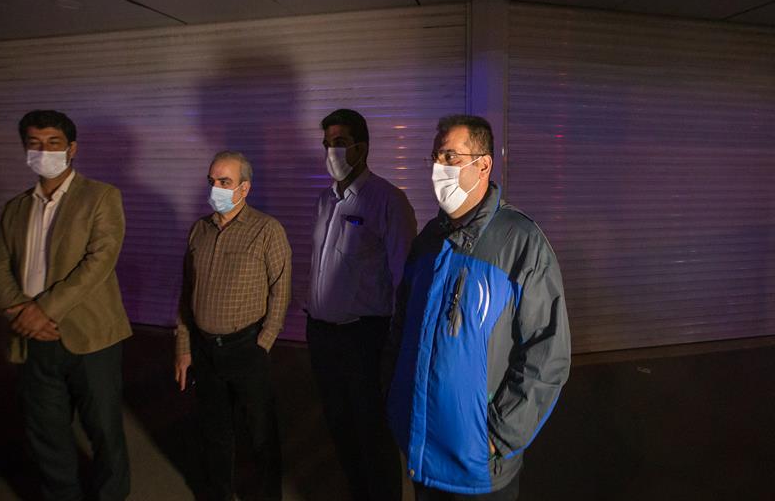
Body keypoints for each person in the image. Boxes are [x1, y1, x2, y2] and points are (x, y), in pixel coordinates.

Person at [386, 115, 571, 501]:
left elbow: (547, 352)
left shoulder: (521, 242)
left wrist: (499, 436)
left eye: (451, 157)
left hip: (479, 466)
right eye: (435, 157)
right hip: (422, 450)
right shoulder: (428, 241)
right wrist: (396, 399)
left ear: (483, 164)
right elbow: (401, 327)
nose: (439, 168)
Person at [0, 109, 132, 500]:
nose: (43, 151)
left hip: (91, 338)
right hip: (31, 337)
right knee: (46, 433)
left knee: (104, 431)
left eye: (53, 143)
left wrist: (43, 310)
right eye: (34, 143)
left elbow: (100, 261)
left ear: (72, 149)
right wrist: (20, 311)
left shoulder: (101, 196)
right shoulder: (15, 208)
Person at [306, 108, 417, 501]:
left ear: (362, 147)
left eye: (339, 143)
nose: (330, 152)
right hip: (323, 336)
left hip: (364, 338)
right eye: (326, 144)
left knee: (372, 431)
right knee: (339, 426)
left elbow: (404, 278)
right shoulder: (325, 200)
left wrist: (398, 345)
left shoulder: (388, 201)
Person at [174, 151, 292, 501]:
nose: (216, 188)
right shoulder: (200, 230)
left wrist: (262, 344)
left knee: (260, 434)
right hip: (205, 349)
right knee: (214, 431)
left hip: (246, 347)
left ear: (244, 188)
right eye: (212, 181)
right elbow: (186, 292)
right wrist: (183, 347)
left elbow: (281, 290)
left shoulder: (267, 230)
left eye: (225, 182)